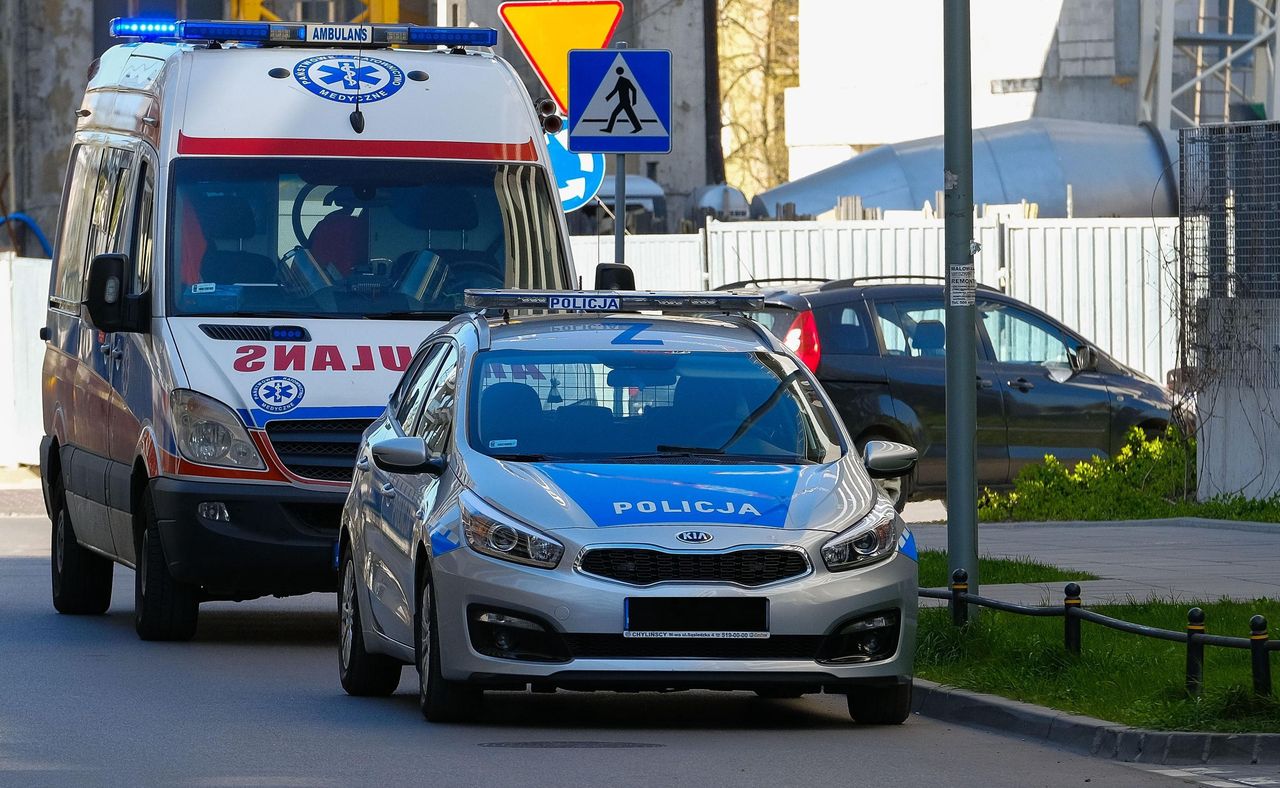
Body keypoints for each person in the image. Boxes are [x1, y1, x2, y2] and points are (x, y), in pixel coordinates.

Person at [603, 67, 642, 134]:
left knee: (616, 114)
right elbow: (615, 90)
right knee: (628, 114)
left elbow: (634, 90)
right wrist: (607, 98)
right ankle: (638, 127)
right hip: (623, 102)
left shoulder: (624, 80)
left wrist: (634, 101)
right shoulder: (621, 80)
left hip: (625, 102)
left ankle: (609, 129)